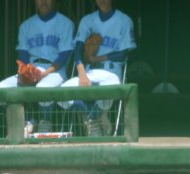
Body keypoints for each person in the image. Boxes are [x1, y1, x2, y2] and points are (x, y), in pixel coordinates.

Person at [58, 0, 136, 137]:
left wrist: (97, 58)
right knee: (60, 95)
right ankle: (94, 115)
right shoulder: (88, 20)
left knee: (108, 92)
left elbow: (122, 54)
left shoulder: (124, 20)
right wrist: (82, 73)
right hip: (89, 71)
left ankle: (92, 120)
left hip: (111, 71)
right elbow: (78, 48)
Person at [0, 0, 74, 134]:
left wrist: (44, 74)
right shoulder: (26, 25)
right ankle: (25, 121)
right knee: (1, 89)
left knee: (42, 88)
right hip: (32, 67)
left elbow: (64, 55)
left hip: (54, 71)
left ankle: (45, 122)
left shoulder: (66, 23)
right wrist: (25, 72)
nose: (43, 2)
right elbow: (23, 53)